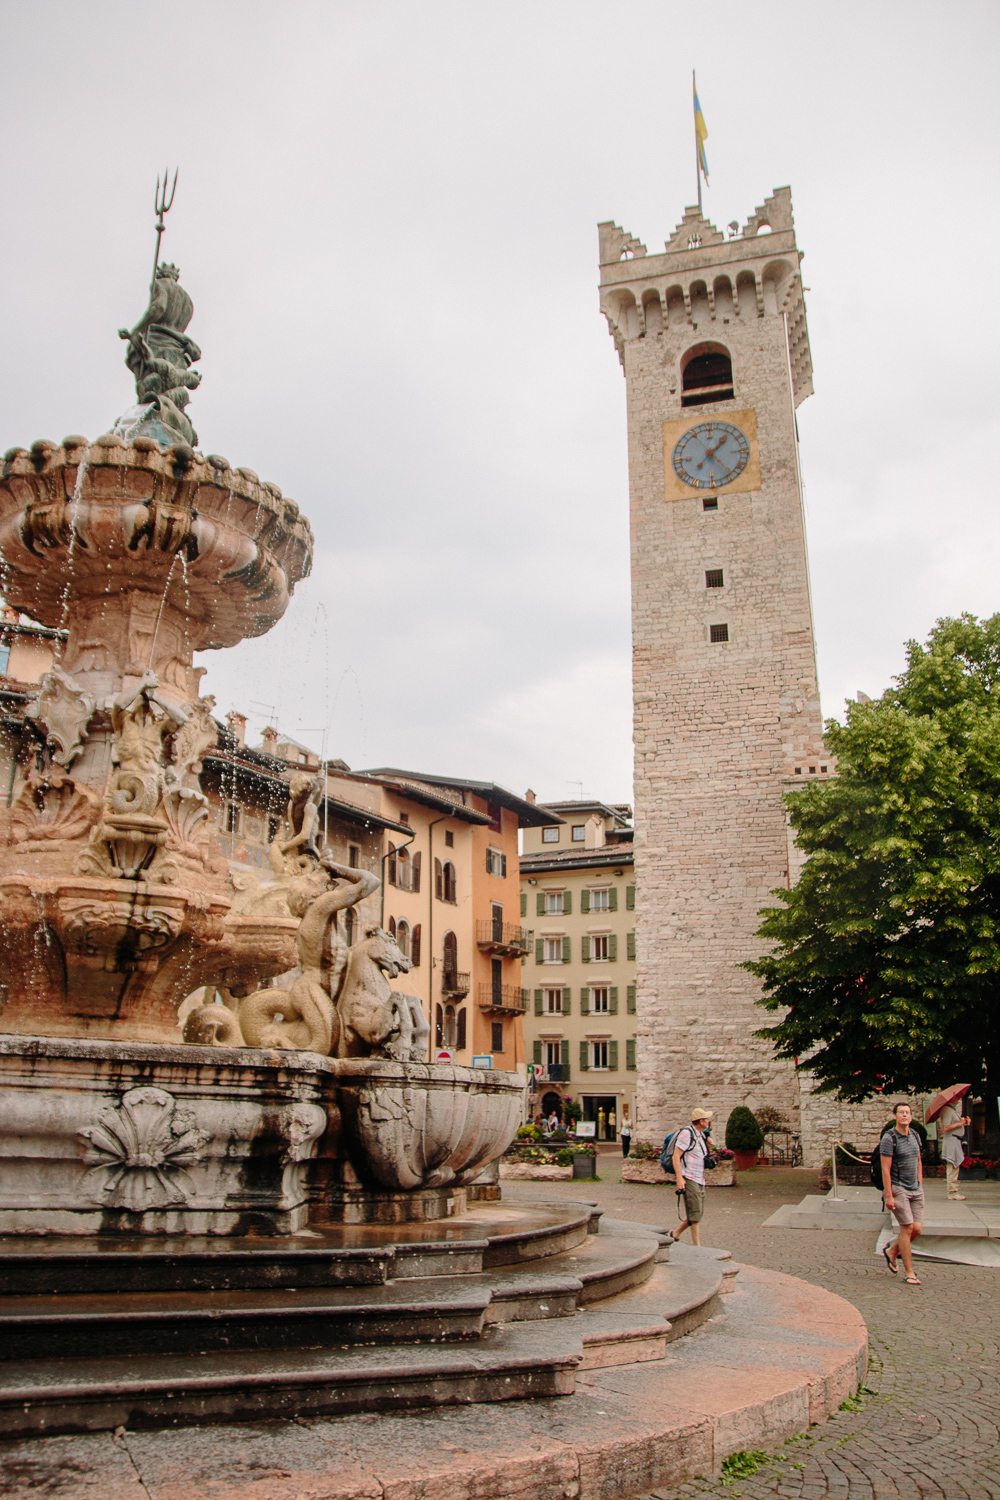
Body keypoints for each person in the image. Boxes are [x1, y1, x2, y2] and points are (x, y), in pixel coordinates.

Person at [881, 1102, 924, 1286]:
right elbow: (885, 1169)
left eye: (907, 1112)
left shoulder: (915, 1135)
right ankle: (909, 1272)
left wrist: (920, 1182)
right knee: (906, 1228)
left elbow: (918, 1160)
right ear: (895, 1116)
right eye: (901, 1112)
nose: (905, 1115)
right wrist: (889, 1195)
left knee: (917, 1229)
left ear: (911, 1117)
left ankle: (892, 1251)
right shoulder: (889, 1138)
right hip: (898, 1188)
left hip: (915, 1188)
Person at [670, 1109, 716, 1247]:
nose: (709, 1122)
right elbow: (676, 1156)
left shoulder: (700, 1135)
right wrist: (679, 1178)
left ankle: (675, 1234)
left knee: (697, 1212)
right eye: (707, 1120)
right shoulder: (686, 1134)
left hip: (699, 1178)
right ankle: (697, 1247)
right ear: (701, 1121)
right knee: (695, 1214)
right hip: (689, 1177)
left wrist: (708, 1145)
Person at [937, 1097, 971, 1201]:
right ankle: (952, 1192)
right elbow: (946, 1127)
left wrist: (963, 1123)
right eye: (956, 1098)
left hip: (955, 1141)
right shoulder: (947, 1110)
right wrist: (960, 1123)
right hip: (951, 1141)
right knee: (952, 1166)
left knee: (955, 1166)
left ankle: (953, 1190)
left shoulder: (951, 1110)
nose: (958, 1100)